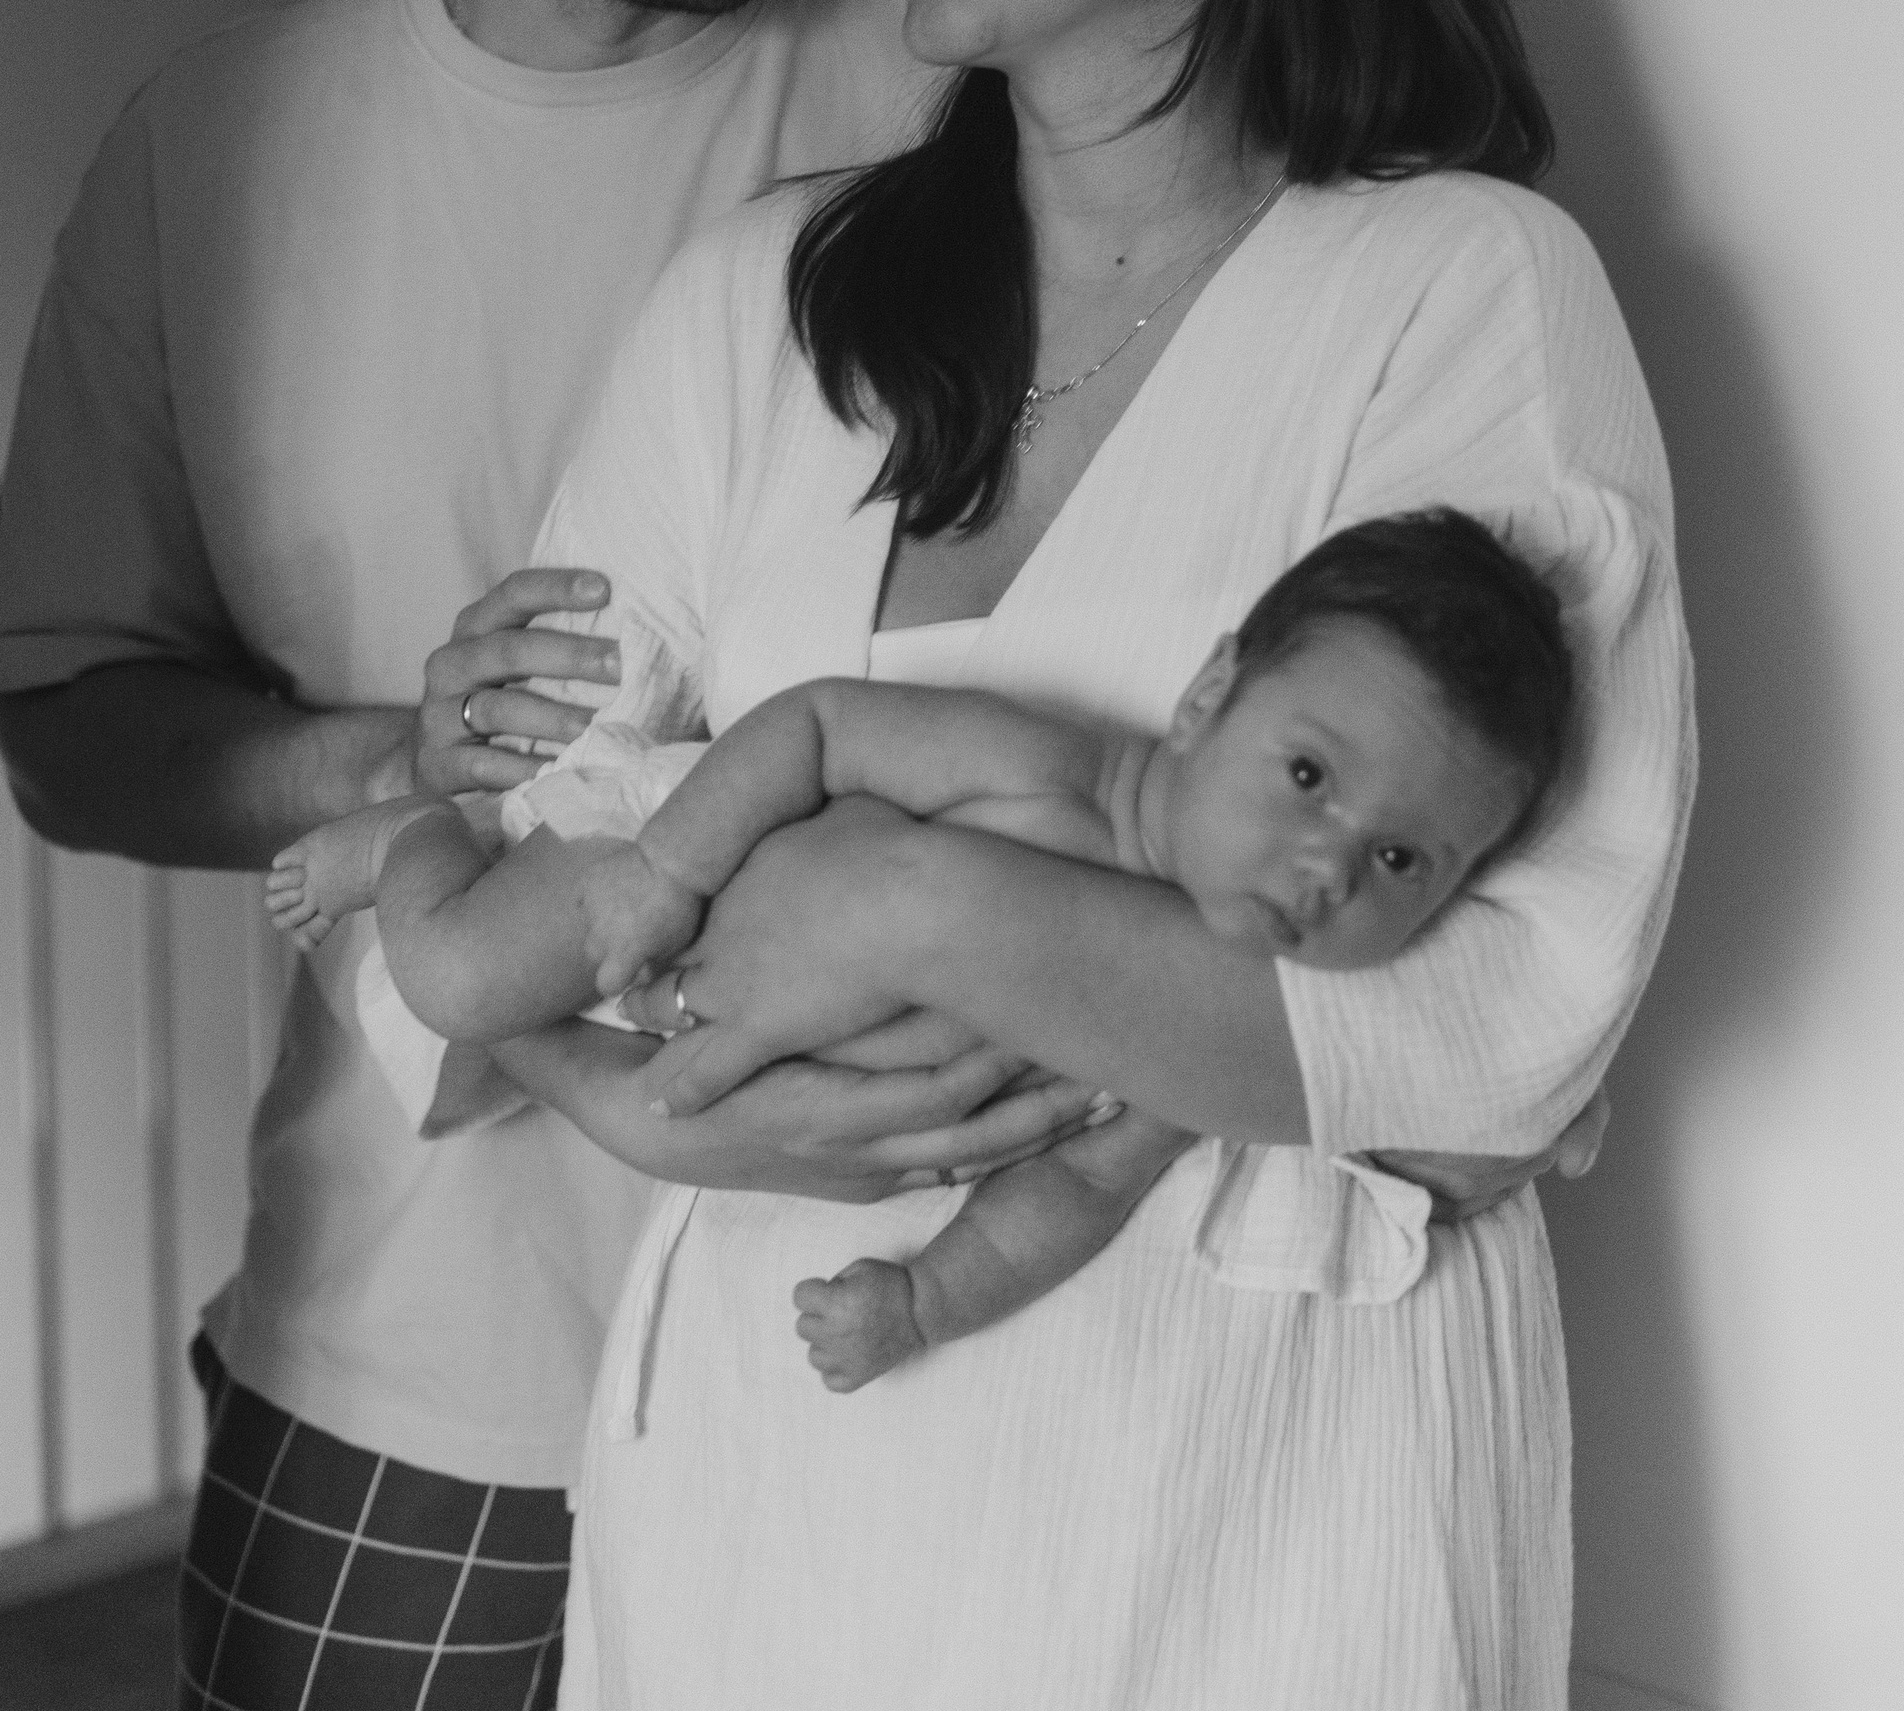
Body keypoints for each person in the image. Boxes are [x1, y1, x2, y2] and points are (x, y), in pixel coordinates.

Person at [444, 0, 1693, 1711]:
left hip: (1249, 1490)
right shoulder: (760, 308)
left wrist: (911, 899)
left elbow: (1508, 1030)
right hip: (778, 1487)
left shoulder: (1459, 293)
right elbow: (531, 852)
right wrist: (631, 1093)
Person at [0, 0, 1096, 1711]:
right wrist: (402, 753)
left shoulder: (975, 105)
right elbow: (69, 727)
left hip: (903, 1321)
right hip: (416, 1369)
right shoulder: (215, 149)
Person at [267, 506, 1573, 1392]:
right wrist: (667, 871)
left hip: (692, 1032)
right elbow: (818, 728)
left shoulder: (1191, 1043)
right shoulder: (1054, 777)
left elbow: (1079, 1189)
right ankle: (415, 839)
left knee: (604, 1079)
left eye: (1402, 862)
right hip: (669, 848)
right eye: (1308, 776)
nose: (1326, 868)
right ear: (1208, 698)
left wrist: (929, 1300)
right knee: (461, 980)